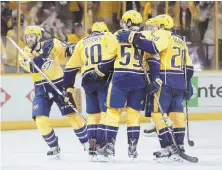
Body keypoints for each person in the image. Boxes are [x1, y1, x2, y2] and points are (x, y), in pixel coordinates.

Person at [117, 14, 194, 162]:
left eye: (155, 26)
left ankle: (168, 147)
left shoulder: (162, 34)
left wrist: (133, 37)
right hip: (179, 81)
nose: (152, 29)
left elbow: (153, 48)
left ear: (162, 26)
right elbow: (189, 67)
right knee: (177, 115)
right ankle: (179, 146)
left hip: (165, 80)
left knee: (157, 114)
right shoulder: (181, 40)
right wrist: (188, 84)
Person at [19, 26, 88, 159]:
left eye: (32, 36)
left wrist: (73, 47)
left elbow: (68, 51)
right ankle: (54, 147)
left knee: (72, 115)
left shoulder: (52, 44)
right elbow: (33, 67)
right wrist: (44, 54)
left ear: (38, 36)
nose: (29, 39)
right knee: (40, 119)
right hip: (41, 89)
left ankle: (87, 143)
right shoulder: (23, 52)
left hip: (59, 85)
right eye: (27, 37)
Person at [94, 10, 145, 159]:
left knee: (113, 113)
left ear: (127, 22)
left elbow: (107, 60)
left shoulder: (116, 36)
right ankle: (132, 149)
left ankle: (109, 147)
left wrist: (98, 72)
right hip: (138, 79)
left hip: (120, 78)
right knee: (133, 115)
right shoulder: (144, 37)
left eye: (124, 21)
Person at [64, 22, 115, 161]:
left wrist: (68, 88)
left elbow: (70, 68)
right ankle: (102, 145)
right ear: (104, 30)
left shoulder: (81, 42)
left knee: (92, 115)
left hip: (87, 80)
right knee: (105, 114)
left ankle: (92, 146)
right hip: (103, 78)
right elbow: (114, 54)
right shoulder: (107, 36)